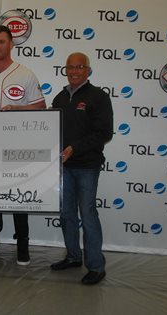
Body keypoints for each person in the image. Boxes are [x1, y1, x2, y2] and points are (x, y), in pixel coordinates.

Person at [0, 25, 46, 265]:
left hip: (17, 145)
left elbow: (41, 108)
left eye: (2, 42)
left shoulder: (25, 74)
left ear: (11, 44)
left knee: (18, 195)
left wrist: (18, 108)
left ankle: (22, 244)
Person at [50, 52, 113, 285]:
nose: (74, 71)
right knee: (67, 214)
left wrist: (74, 148)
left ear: (87, 69)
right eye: (70, 67)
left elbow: (104, 133)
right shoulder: (59, 98)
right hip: (64, 167)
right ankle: (74, 257)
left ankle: (96, 266)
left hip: (87, 166)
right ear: (65, 70)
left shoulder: (98, 96)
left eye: (79, 67)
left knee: (87, 215)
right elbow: (50, 129)